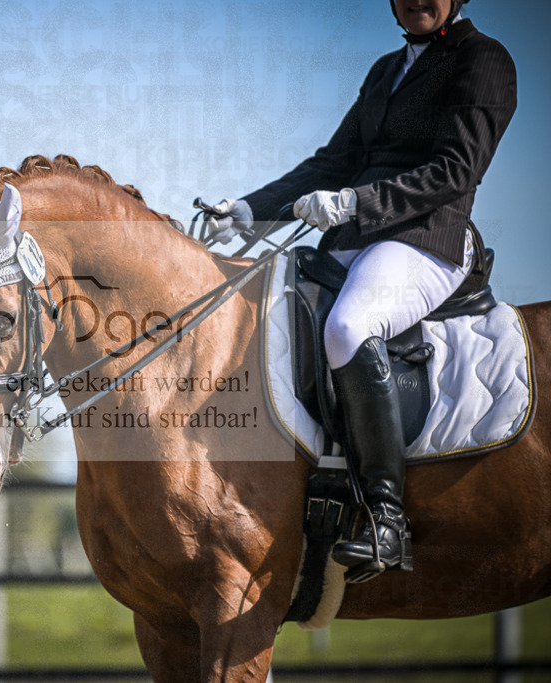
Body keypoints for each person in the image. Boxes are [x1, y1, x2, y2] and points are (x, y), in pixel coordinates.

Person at [206, 0, 516, 575]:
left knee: (350, 327)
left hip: (428, 236)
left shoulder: (483, 60)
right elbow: (334, 162)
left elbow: (456, 170)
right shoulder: (385, 70)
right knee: (260, 311)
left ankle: (387, 519)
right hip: (356, 236)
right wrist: (250, 209)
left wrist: (355, 202)